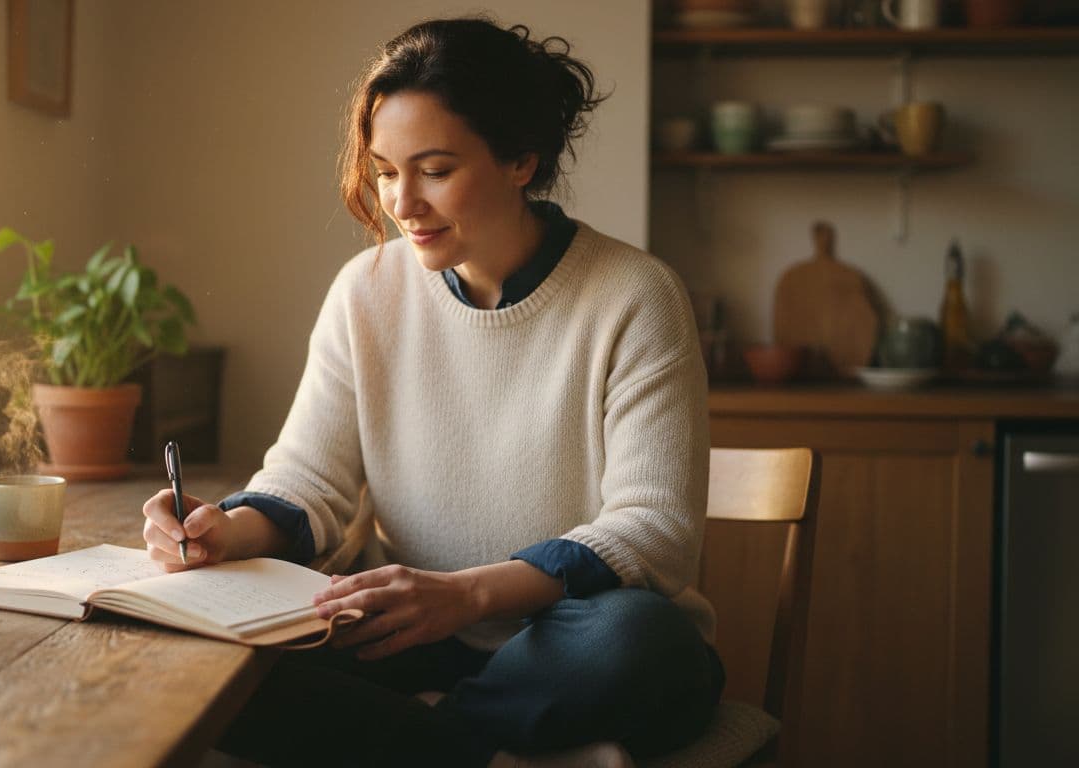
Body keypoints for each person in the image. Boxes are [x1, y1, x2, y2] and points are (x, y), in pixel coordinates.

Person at [142, 16, 723, 768]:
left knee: (639, 640)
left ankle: (424, 742)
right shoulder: (366, 292)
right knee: (198, 663)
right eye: (385, 170)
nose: (401, 202)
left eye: (436, 169)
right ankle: (490, 753)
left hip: (574, 646)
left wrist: (466, 595)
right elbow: (307, 481)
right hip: (415, 644)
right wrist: (225, 528)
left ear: (521, 159)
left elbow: (655, 530)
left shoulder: (635, 295)